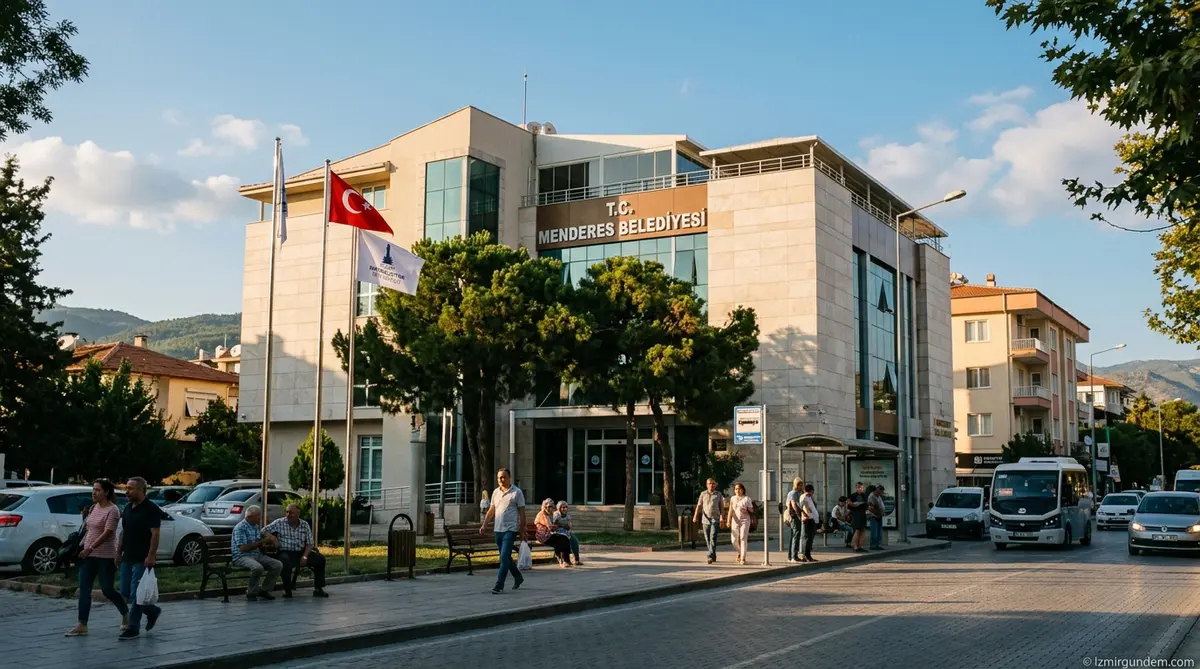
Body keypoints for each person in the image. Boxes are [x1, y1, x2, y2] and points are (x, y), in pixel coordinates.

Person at [65, 479, 127, 637]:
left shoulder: (113, 510)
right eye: (93, 490)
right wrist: (82, 547)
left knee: (107, 589)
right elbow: (88, 530)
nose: (94, 493)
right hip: (87, 556)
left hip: (105, 557)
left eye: (97, 490)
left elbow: (108, 533)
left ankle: (126, 614)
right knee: (84, 590)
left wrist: (91, 547)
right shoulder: (93, 508)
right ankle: (82, 624)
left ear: (106, 492)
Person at [117, 477, 163, 640]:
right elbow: (124, 531)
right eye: (126, 488)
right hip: (127, 556)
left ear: (141, 490)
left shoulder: (151, 509)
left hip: (142, 558)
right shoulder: (128, 508)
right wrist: (118, 552)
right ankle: (152, 610)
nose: (126, 491)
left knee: (137, 593)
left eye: (130, 488)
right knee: (126, 591)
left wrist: (151, 555)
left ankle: (133, 627)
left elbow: (155, 533)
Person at [263, 503, 328, 598]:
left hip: (301, 552)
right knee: (285, 561)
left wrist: (305, 556)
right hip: (285, 552)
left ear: (298, 514)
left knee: (320, 559)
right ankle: (288, 590)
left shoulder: (304, 525)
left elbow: (310, 543)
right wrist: (271, 537)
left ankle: (318, 589)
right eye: (287, 512)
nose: (288, 515)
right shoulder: (279, 522)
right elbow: (263, 531)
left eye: (291, 513)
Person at [479, 467, 526, 594]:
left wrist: (522, 531)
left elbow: (522, 514)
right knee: (506, 558)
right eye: (499, 477)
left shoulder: (517, 493)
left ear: (509, 477)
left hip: (511, 530)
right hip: (498, 529)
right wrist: (484, 525)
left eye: (503, 477)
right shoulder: (495, 492)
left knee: (504, 557)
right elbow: (491, 511)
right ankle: (518, 577)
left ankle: (499, 585)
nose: (501, 479)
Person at [231, 506, 283, 601]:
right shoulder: (240, 528)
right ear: (251, 516)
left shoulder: (255, 526)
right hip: (242, 556)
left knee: (277, 565)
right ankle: (251, 592)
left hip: (256, 555)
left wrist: (268, 542)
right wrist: (262, 542)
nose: (260, 518)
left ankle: (264, 590)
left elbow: (259, 541)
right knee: (258, 567)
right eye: (259, 516)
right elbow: (243, 548)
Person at [692, 478, 725, 564]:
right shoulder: (703, 494)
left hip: (715, 518)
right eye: (709, 484)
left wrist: (722, 518)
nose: (711, 485)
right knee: (707, 538)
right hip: (705, 519)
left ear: (715, 485)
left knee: (713, 537)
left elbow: (721, 508)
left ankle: (709, 555)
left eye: (713, 483)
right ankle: (713, 555)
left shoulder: (718, 494)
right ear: (707, 485)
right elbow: (699, 506)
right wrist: (695, 516)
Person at [535, 498, 573, 567]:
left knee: (564, 538)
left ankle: (566, 560)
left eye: (552, 506)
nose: (551, 508)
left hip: (548, 535)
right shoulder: (543, 515)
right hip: (544, 536)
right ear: (545, 506)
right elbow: (550, 528)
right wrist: (557, 526)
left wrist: (556, 527)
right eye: (549, 506)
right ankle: (563, 561)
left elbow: (551, 527)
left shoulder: (546, 514)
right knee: (561, 540)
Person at [727, 482, 754, 565]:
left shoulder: (747, 499)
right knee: (734, 540)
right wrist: (728, 520)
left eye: (739, 489)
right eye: (736, 489)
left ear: (742, 490)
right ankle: (740, 552)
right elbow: (730, 510)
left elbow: (752, 510)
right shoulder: (733, 498)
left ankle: (743, 558)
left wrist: (747, 510)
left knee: (743, 538)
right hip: (735, 520)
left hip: (745, 520)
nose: (737, 490)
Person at [553, 501, 582, 565]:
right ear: (559, 508)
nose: (565, 509)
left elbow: (570, 526)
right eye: (563, 507)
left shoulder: (568, 515)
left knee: (575, 541)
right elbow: (555, 525)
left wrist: (569, 531)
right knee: (564, 541)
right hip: (559, 532)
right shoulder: (556, 514)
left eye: (566, 507)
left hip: (566, 531)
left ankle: (576, 560)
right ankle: (566, 560)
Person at [799, 484, 820, 562]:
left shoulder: (810, 497)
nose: (811, 493)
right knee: (808, 538)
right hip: (808, 519)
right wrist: (806, 515)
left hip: (812, 519)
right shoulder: (804, 497)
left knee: (810, 538)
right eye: (811, 491)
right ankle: (806, 555)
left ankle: (808, 554)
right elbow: (803, 508)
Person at [785, 477, 804, 563]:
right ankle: (794, 556)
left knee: (794, 536)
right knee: (796, 536)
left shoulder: (797, 493)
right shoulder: (793, 494)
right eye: (800, 485)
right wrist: (799, 516)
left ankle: (791, 556)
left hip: (795, 516)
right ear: (796, 485)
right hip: (794, 517)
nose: (802, 487)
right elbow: (794, 505)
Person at [847, 482, 869, 553]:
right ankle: (855, 546)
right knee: (857, 530)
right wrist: (848, 515)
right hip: (856, 515)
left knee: (862, 530)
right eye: (859, 488)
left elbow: (866, 505)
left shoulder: (864, 495)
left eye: (862, 488)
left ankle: (860, 546)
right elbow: (849, 507)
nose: (861, 489)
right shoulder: (853, 496)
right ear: (856, 488)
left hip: (863, 515)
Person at [867, 485, 886, 550]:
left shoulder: (878, 496)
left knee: (879, 532)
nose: (881, 493)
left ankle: (878, 545)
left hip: (879, 516)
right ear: (877, 490)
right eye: (881, 491)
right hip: (874, 516)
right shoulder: (872, 496)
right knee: (874, 532)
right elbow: (871, 507)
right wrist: (878, 513)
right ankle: (873, 546)